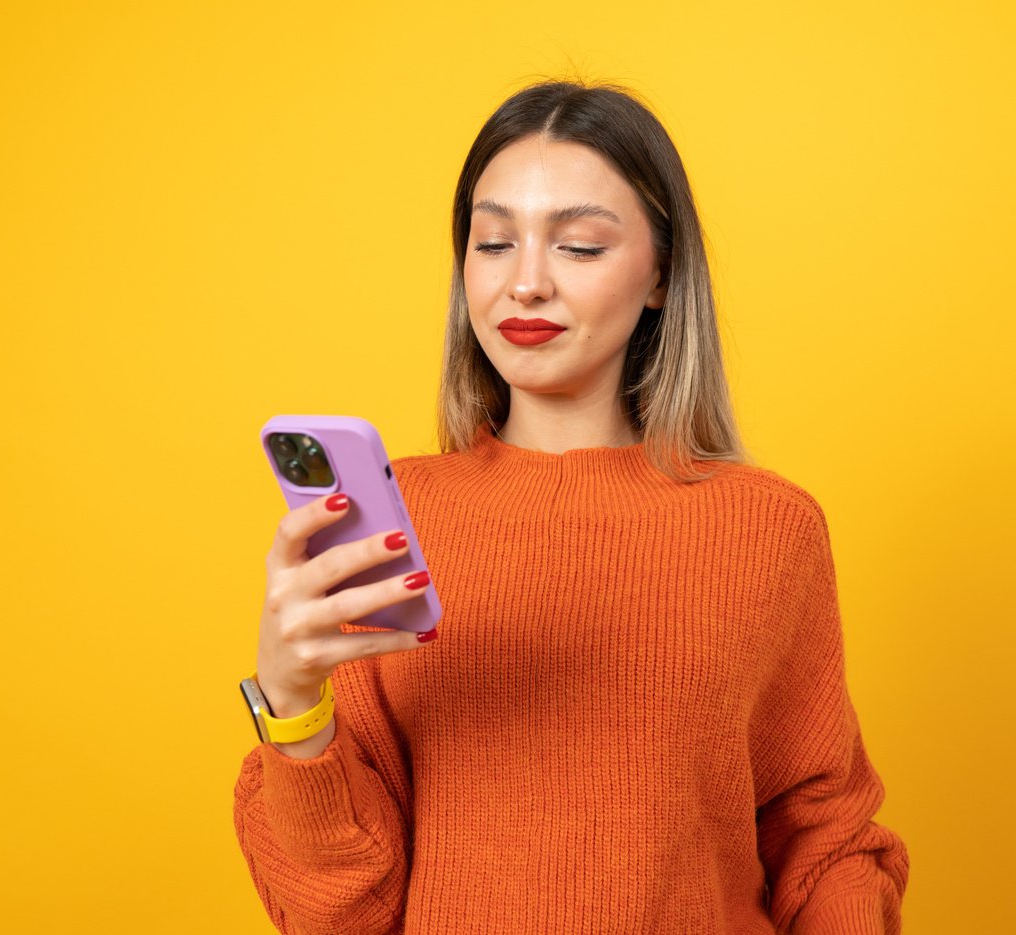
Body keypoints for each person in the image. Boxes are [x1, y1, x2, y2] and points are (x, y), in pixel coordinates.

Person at [232, 79, 910, 934]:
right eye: (492, 241)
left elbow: (825, 838)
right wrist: (292, 707)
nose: (525, 284)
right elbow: (343, 913)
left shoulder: (769, 530)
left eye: (581, 247)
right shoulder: (386, 527)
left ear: (661, 274)